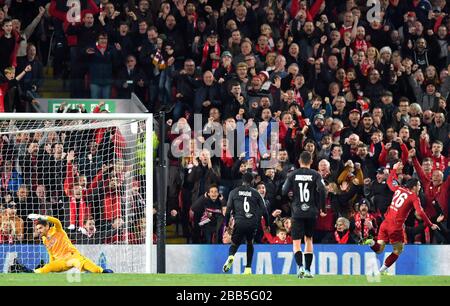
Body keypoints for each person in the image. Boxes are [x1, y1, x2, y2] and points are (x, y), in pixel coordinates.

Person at [362, 162, 440, 274]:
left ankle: (370, 242)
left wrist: (393, 170)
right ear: (413, 186)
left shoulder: (398, 189)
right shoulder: (413, 196)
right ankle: (382, 271)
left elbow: (389, 182)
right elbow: (420, 212)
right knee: (398, 250)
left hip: (385, 223)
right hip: (396, 226)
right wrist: (430, 224)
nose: (419, 187)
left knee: (379, 249)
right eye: (418, 185)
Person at [282, 151, 326, 278]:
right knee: (308, 239)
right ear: (311, 162)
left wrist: (291, 199)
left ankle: (300, 267)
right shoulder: (316, 174)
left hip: (297, 212)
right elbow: (322, 190)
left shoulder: (292, 174)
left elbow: (284, 191)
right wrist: (322, 208)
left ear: (299, 161)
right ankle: (307, 270)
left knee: (296, 242)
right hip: (311, 211)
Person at [26, 214, 113, 273]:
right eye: (37, 229)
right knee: (47, 267)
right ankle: (32, 272)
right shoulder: (44, 239)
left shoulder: (57, 229)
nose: (38, 231)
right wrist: (52, 265)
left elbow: (56, 221)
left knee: (86, 265)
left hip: (71, 256)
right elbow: (51, 253)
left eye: (40, 228)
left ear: (47, 226)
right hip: (61, 262)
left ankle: (102, 271)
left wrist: (42, 217)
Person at [222, 173, 268, 274]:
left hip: (239, 222)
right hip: (252, 223)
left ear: (242, 180)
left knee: (234, 244)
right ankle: (248, 269)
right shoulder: (256, 193)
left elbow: (228, 209)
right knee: (250, 243)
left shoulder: (233, 192)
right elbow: (264, 211)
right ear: (252, 181)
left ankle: (231, 256)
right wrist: (267, 224)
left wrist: (226, 224)